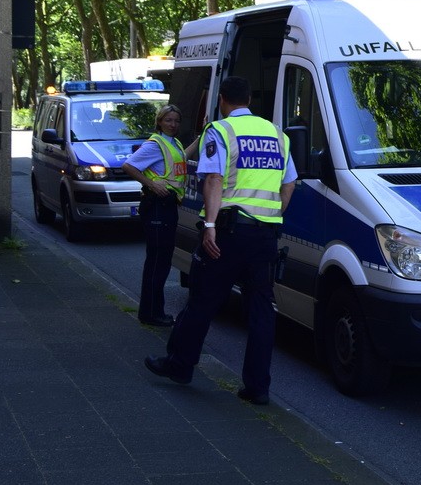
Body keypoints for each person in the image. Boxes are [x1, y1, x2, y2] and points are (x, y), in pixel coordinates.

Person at [145, 77, 296, 406]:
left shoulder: (221, 130)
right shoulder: (277, 135)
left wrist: (210, 224)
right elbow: (289, 184)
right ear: (251, 98)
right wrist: (271, 216)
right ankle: (257, 388)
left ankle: (180, 365)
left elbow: (213, 178)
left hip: (228, 231)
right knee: (261, 311)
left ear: (223, 100)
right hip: (265, 235)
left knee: (203, 299)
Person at [123, 104, 197, 326]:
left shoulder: (172, 143)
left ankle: (153, 311)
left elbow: (183, 157)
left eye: (176, 121)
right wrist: (152, 185)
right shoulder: (155, 144)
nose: (173, 124)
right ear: (160, 122)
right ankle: (151, 313)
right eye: (168, 120)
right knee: (157, 262)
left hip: (166, 206)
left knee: (162, 261)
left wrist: (200, 139)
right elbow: (129, 165)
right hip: (157, 205)